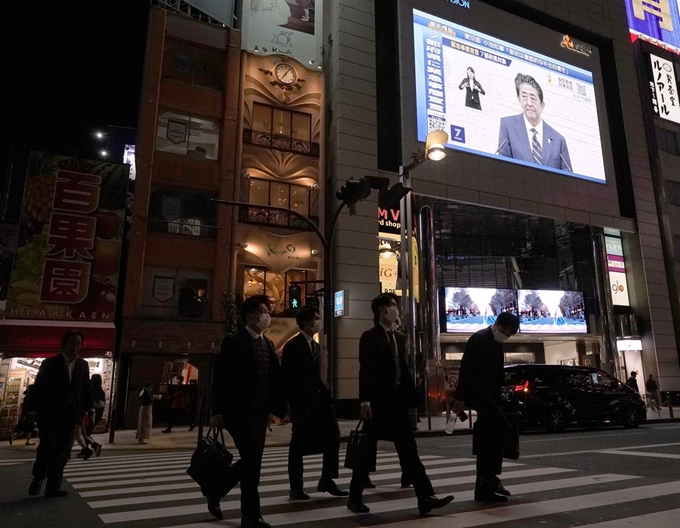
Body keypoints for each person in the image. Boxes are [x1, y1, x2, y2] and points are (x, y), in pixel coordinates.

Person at [347, 294, 453, 515]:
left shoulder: (398, 337)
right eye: (391, 306)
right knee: (366, 451)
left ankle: (425, 496)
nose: (395, 310)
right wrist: (365, 400)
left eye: (396, 306)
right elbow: (365, 370)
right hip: (377, 403)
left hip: (397, 403)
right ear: (380, 311)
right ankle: (354, 497)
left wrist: (411, 395)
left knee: (409, 451)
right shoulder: (370, 336)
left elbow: (401, 368)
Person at [210, 294, 287, 527]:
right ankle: (250, 515)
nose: (267, 315)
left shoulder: (268, 343)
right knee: (252, 461)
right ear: (250, 316)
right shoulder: (233, 341)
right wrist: (217, 412)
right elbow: (221, 378)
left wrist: (281, 409)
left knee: (252, 462)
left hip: (260, 414)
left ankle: (217, 491)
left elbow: (274, 380)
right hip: (238, 413)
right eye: (263, 311)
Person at [453, 312, 520, 503]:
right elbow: (466, 369)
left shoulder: (497, 343)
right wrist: (460, 398)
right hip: (479, 395)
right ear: (498, 324)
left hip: (490, 397)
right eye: (505, 332)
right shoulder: (479, 338)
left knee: (485, 443)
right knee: (504, 427)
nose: (506, 336)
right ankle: (490, 478)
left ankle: (482, 489)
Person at [282, 305, 348, 501]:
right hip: (302, 403)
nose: (319, 322)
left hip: (321, 402)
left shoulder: (317, 347)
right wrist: (287, 406)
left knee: (333, 437)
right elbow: (286, 377)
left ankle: (327, 479)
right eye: (316, 318)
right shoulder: (292, 346)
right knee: (298, 444)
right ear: (306, 322)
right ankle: (296, 487)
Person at [27, 329, 95, 497]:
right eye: (72, 343)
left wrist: (90, 407)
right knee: (47, 446)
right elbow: (39, 388)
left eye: (78, 344)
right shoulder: (49, 364)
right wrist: (32, 410)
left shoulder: (82, 365)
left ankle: (53, 485)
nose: (75, 347)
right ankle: (38, 478)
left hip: (70, 414)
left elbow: (85, 388)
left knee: (63, 451)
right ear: (64, 344)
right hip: (49, 412)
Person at [497, 73, 571, 171]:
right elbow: (502, 169)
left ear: (542, 105)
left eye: (533, 98)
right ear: (518, 99)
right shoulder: (507, 125)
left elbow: (569, 179)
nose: (529, 103)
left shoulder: (559, 140)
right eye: (524, 97)